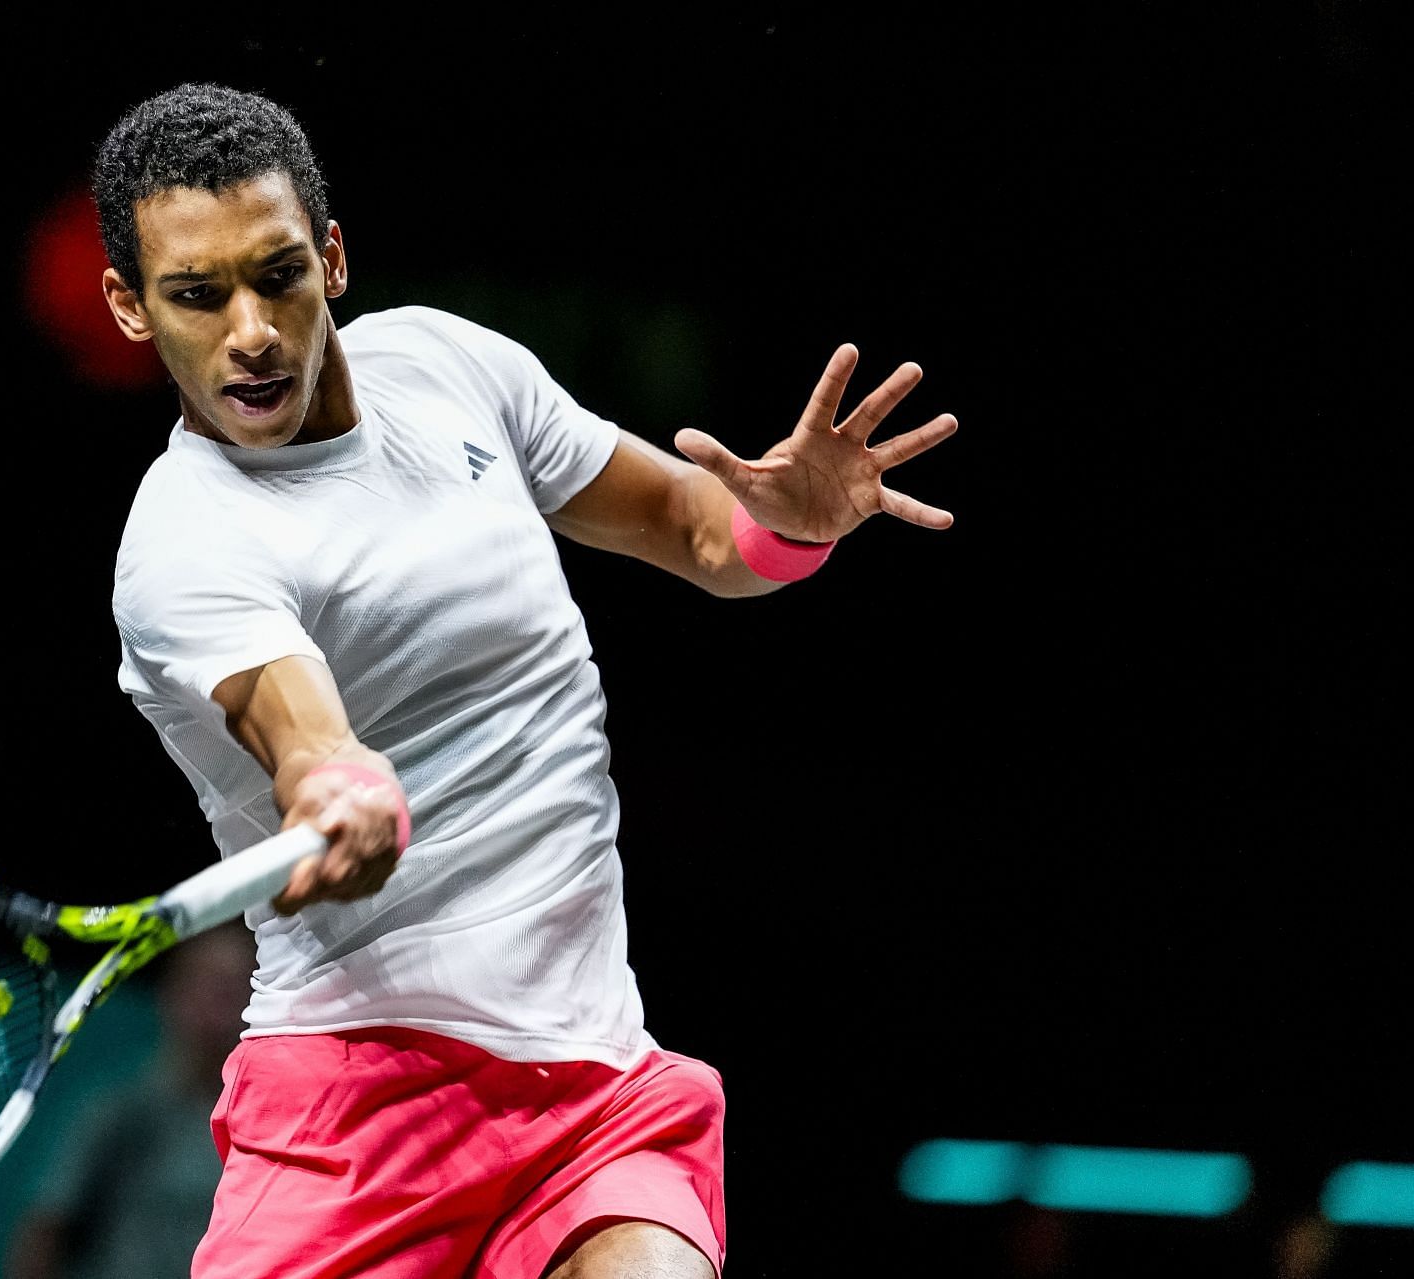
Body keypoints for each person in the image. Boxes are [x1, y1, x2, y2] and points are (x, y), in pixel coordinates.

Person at [94, 82, 958, 1279]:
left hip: (595, 1097)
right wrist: (333, 783)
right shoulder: (186, 542)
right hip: (359, 1113)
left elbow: (696, 531)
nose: (250, 329)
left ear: (332, 258)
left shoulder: (449, 366)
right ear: (131, 309)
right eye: (198, 295)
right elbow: (300, 728)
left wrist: (789, 527)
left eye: (278, 274)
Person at [9, 923, 259, 1279]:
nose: (214, 1009)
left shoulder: (273, 1128)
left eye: (231, 990)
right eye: (204, 986)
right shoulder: (117, 1112)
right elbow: (44, 1234)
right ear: (170, 993)